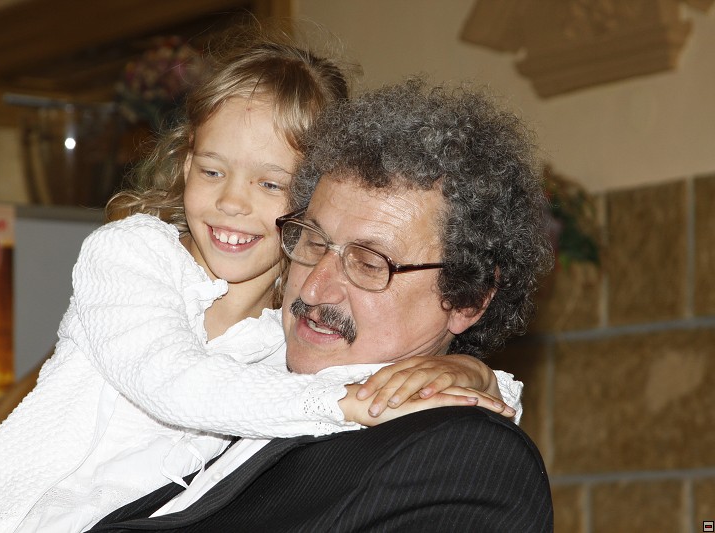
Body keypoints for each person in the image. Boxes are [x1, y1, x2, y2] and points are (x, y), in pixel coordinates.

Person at [0, 31, 520, 533]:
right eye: (213, 171)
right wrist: (346, 404)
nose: (233, 202)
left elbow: (384, 385)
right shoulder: (133, 256)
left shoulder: (282, 332)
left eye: (269, 184)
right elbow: (174, 382)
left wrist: (473, 373)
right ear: (187, 165)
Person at [86, 78, 555, 532]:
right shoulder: (250, 385)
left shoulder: (462, 456)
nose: (313, 289)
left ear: (468, 298)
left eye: (369, 263)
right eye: (312, 242)